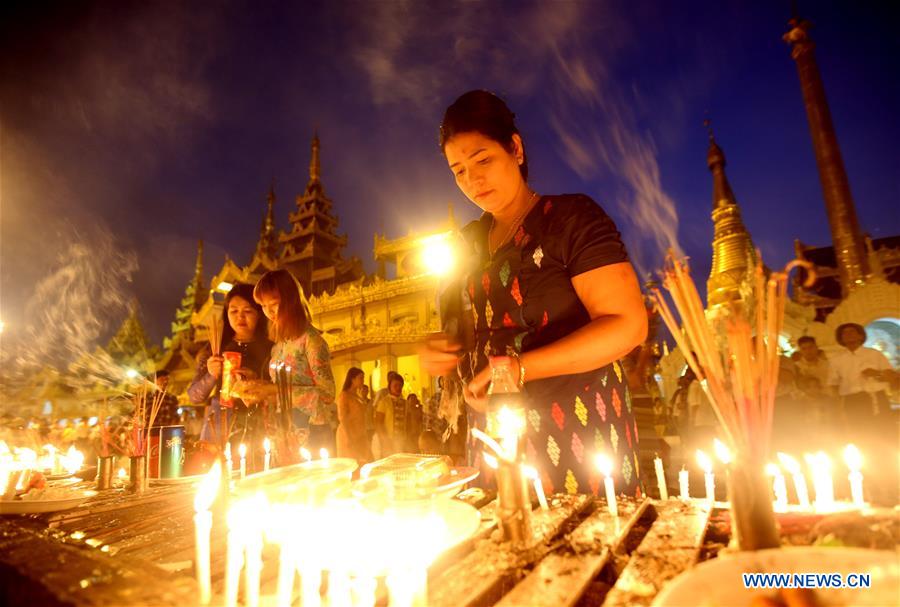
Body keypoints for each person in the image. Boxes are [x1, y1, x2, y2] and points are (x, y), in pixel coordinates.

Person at [421, 90, 648, 496]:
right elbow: (469, 326)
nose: (473, 180)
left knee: (586, 543)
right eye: (458, 171)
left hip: (579, 426)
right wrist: (442, 348)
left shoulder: (570, 219)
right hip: (495, 436)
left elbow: (628, 326)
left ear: (516, 148)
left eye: (483, 160)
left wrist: (517, 369)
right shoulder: (468, 244)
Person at [250, 269, 337, 456]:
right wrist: (257, 387)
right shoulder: (279, 346)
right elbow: (280, 392)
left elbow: (327, 394)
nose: (269, 312)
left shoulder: (312, 341)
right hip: (284, 432)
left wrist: (274, 390)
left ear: (290, 301)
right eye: (263, 306)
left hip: (312, 432)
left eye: (274, 304)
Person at [188, 284, 274, 458]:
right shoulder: (214, 348)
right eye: (233, 311)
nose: (240, 317)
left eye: (248, 311)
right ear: (226, 315)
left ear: (259, 314)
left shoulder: (271, 349)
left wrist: (257, 381)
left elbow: (279, 390)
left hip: (257, 426)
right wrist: (211, 375)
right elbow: (194, 396)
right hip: (219, 425)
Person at [336, 367, 372, 463]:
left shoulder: (357, 396)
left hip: (360, 434)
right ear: (352, 379)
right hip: (348, 435)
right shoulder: (344, 395)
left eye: (363, 378)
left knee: (365, 463)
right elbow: (342, 418)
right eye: (360, 378)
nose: (362, 381)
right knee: (352, 464)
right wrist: (349, 438)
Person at [374, 373, 407, 457]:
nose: (398, 388)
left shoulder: (405, 403)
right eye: (395, 385)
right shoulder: (384, 402)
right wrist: (385, 441)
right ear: (390, 386)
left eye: (400, 385)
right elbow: (378, 423)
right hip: (388, 441)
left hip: (402, 441)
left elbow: (408, 422)